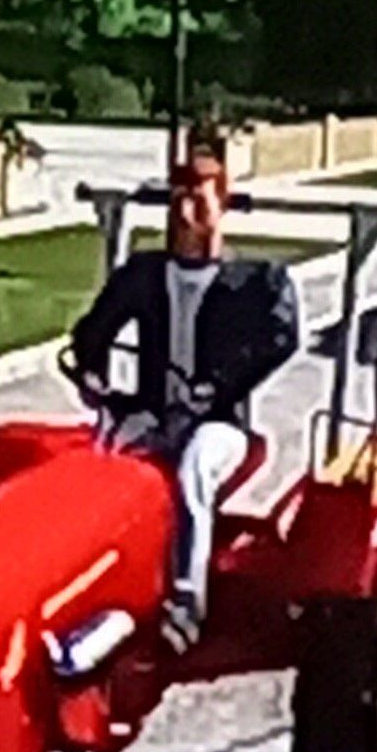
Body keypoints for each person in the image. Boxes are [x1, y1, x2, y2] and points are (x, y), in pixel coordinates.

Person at [66, 133, 300, 652]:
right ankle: (91, 595)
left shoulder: (253, 282)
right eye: (177, 198)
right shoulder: (144, 275)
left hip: (220, 424)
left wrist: (217, 386)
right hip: (152, 414)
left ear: (223, 204)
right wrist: (93, 372)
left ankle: (185, 605)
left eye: (198, 198)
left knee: (194, 468)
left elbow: (282, 337)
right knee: (97, 465)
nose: (185, 211)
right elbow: (93, 332)